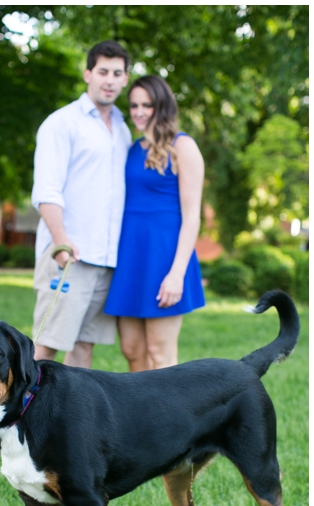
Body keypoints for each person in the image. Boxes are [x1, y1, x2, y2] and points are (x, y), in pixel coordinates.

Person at [31, 41, 132, 368]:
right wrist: (60, 241)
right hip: (69, 256)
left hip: (106, 260)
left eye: (117, 73)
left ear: (126, 79)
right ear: (88, 73)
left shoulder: (122, 129)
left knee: (84, 346)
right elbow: (47, 190)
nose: (110, 80)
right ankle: (20, 417)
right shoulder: (62, 123)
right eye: (103, 71)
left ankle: (73, 419)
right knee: (46, 346)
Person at [104, 75, 206, 371]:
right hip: (131, 258)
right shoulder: (133, 148)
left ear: (161, 106)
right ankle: (141, 418)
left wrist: (177, 273)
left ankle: (169, 419)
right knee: (132, 349)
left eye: (146, 104)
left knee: (161, 355)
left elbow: (192, 216)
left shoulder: (182, 145)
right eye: (134, 104)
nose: (138, 111)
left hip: (165, 258)